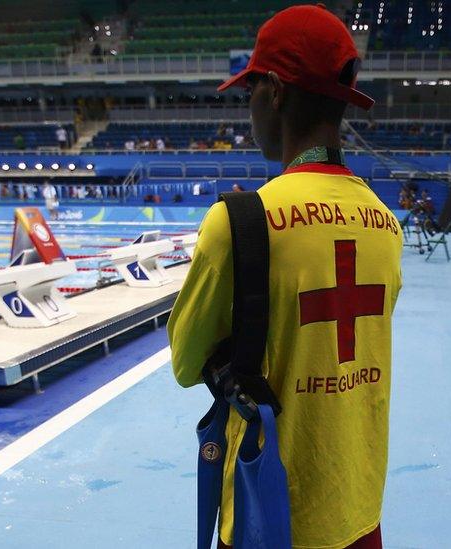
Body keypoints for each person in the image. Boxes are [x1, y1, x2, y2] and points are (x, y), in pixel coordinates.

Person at [167, 6, 401, 549]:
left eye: (249, 90)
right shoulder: (384, 224)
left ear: (274, 90)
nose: (247, 107)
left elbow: (185, 362)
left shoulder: (239, 223)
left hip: (266, 517)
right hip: (359, 513)